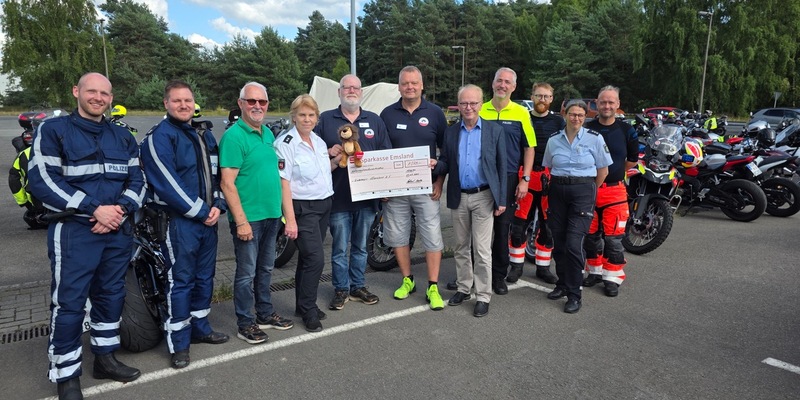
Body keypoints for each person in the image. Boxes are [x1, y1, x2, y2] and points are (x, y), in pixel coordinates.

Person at [27, 72, 145, 400]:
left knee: (111, 295)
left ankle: (105, 359)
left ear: (111, 98)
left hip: (116, 228)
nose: (98, 98)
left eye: (105, 93)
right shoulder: (54, 130)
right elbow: (42, 181)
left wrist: (118, 211)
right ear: (76, 91)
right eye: (92, 91)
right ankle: (66, 375)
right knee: (70, 302)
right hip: (75, 231)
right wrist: (95, 209)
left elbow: (139, 181)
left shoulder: (122, 136)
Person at [140, 80, 229, 369]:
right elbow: (167, 184)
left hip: (208, 220)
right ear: (165, 103)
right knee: (180, 281)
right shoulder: (159, 137)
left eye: (187, 101)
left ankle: (200, 327)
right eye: (177, 101)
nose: (183, 105)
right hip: (179, 223)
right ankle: (179, 342)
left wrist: (218, 204)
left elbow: (216, 176)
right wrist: (202, 211)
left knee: (205, 277)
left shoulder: (203, 135)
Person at [219, 82, 294, 345]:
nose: (257, 106)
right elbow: (227, 183)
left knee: (265, 269)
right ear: (240, 104)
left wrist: (283, 214)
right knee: (246, 274)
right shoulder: (234, 137)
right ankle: (245, 323)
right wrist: (240, 222)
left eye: (262, 102)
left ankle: (263, 314)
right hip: (248, 219)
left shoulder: (268, 135)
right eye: (251, 101)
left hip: (271, 216)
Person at [317, 74, 392, 311]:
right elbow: (312, 155)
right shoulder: (325, 119)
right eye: (346, 87)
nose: (351, 90)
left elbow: (385, 155)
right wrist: (328, 152)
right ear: (339, 92)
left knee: (360, 247)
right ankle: (341, 289)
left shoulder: (375, 120)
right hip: (337, 197)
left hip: (367, 199)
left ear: (361, 92)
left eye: (355, 87)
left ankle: (358, 285)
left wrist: (385, 187)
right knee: (339, 248)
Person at [433, 84, 507, 317]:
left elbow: (502, 167)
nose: (468, 107)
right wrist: (436, 165)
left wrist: (501, 199)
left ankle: (483, 295)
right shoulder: (452, 131)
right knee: (461, 247)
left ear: (481, 103)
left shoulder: (494, 131)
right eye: (464, 103)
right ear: (459, 105)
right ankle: (465, 288)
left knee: (483, 250)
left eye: (473, 103)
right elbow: (446, 161)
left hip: (484, 196)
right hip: (459, 195)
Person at [380, 66, 448, 310]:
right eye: (405, 83)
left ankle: (432, 285)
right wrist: (382, 188)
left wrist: (439, 181)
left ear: (422, 86)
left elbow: (446, 152)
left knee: (432, 236)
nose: (410, 87)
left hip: (425, 187)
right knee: (398, 236)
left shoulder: (435, 113)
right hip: (395, 189)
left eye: (414, 83)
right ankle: (407, 280)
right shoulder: (386, 114)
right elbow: (379, 153)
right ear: (398, 86)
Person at [274, 94, 340, 332]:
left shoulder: (319, 142)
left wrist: (338, 159)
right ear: (294, 116)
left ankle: (302, 305)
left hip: (323, 206)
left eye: (311, 115)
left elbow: (324, 171)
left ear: (317, 118)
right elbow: (284, 184)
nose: (307, 119)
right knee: (315, 259)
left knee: (306, 259)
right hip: (303, 210)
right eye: (302, 114)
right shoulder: (286, 144)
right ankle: (309, 311)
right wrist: (289, 219)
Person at [544, 100, 612, 314]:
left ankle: (575, 294)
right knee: (560, 241)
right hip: (557, 191)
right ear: (565, 115)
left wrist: (587, 190)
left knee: (574, 244)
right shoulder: (554, 140)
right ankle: (562, 284)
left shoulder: (595, 139)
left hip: (583, 192)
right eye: (573, 114)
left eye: (581, 115)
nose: (576, 119)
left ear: (585, 117)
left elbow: (603, 171)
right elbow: (549, 165)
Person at [478, 67, 537, 295]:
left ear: (513, 87)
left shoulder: (521, 112)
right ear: (492, 84)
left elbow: (529, 147)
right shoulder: (480, 110)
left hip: (510, 178)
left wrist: (525, 179)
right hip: (482, 177)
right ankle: (476, 274)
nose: (502, 85)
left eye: (507, 82)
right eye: (499, 81)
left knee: (502, 230)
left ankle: (498, 276)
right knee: (479, 230)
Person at [506, 82, 565, 285]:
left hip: (549, 177)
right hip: (525, 176)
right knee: (518, 224)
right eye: (539, 95)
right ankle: (516, 265)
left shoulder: (559, 122)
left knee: (548, 226)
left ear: (551, 99)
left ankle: (543, 267)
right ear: (532, 96)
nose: (542, 100)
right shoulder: (524, 117)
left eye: (546, 96)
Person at [583, 86, 639, 297]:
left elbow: (632, 160)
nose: (606, 106)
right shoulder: (587, 128)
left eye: (611, 102)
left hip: (615, 192)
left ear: (618, 105)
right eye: (603, 102)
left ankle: (612, 277)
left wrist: (611, 174)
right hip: (589, 190)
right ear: (597, 103)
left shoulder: (627, 130)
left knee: (613, 238)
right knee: (590, 236)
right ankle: (595, 271)